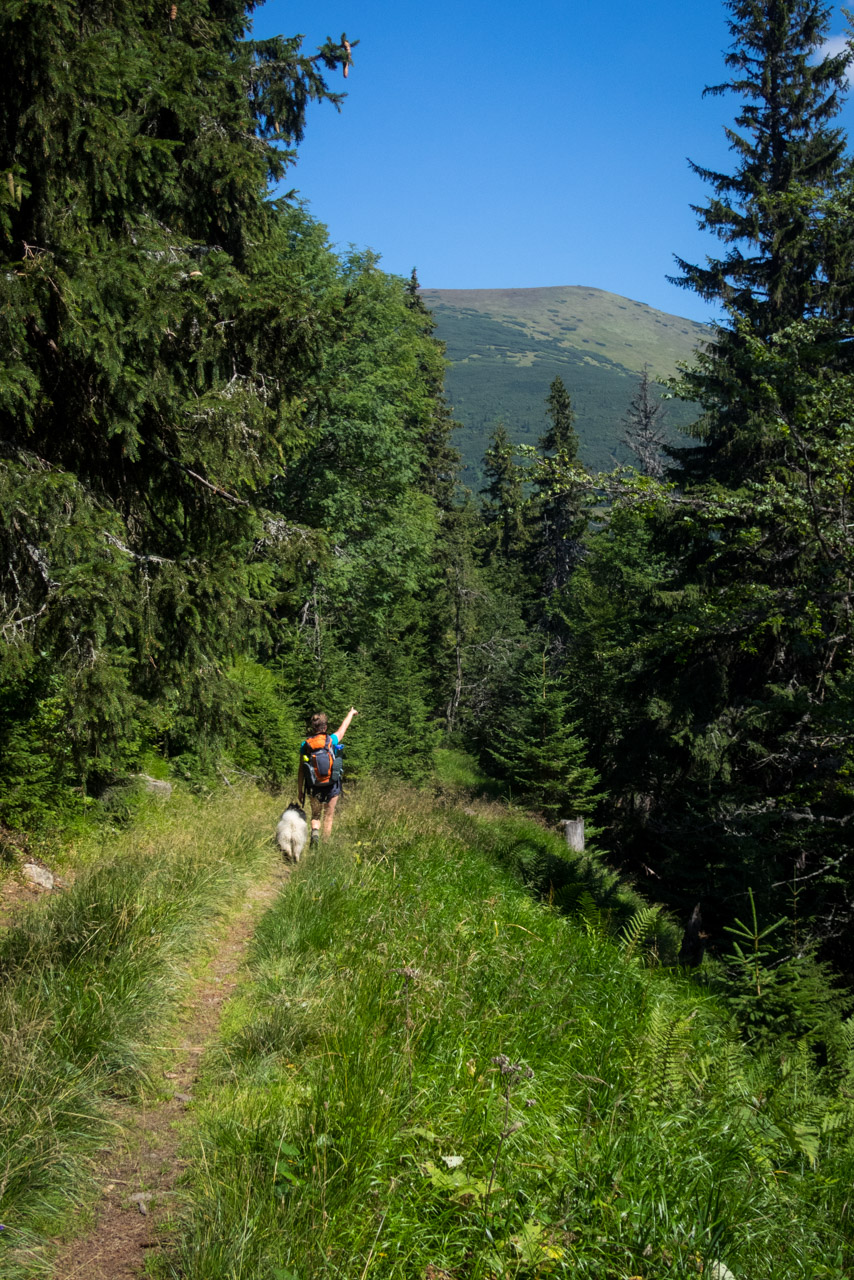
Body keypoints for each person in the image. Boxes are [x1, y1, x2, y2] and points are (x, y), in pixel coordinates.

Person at [297, 707, 358, 844]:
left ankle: (315, 833)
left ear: (313, 727)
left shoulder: (305, 745)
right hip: (332, 784)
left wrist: (300, 790)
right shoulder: (331, 740)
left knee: (316, 815)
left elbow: (301, 770)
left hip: (314, 784)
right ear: (325, 727)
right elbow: (343, 728)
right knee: (328, 817)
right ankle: (324, 845)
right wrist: (350, 713)